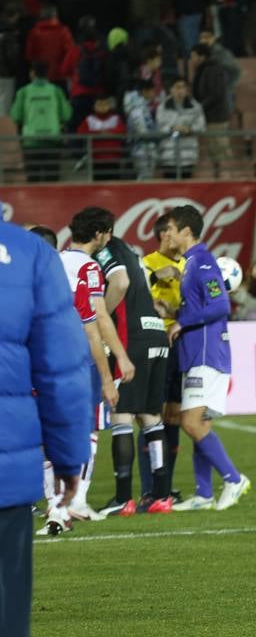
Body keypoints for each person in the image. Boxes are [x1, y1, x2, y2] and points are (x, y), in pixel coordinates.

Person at [0, 218, 91, 637]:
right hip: (6, 477)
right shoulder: (28, 253)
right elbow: (61, 365)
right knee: (5, 629)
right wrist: (68, 459)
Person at [163, 205, 250, 510]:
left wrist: (182, 323)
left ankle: (234, 478)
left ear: (186, 231)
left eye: (170, 230)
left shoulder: (202, 263)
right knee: (198, 422)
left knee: (191, 422)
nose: (166, 235)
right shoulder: (191, 264)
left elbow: (220, 305)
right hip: (195, 353)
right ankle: (203, 494)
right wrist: (174, 314)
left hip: (206, 353)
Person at [59, 208, 134, 522]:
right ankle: (77, 501)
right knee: (88, 429)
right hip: (80, 358)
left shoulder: (53, 260)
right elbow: (98, 319)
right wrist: (119, 360)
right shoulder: (89, 268)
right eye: (108, 232)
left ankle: (55, 500)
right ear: (100, 234)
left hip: (48, 356)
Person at [92, 223, 171, 515]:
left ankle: (123, 498)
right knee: (151, 417)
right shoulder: (133, 254)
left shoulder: (106, 252)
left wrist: (102, 315)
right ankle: (161, 497)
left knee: (122, 415)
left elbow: (121, 283)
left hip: (133, 338)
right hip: (157, 335)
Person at [142, 214, 187, 508]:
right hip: (157, 341)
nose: (178, 235)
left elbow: (194, 303)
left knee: (174, 416)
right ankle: (150, 488)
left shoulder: (188, 265)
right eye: (173, 229)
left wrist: (176, 307)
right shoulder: (146, 264)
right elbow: (139, 301)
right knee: (152, 415)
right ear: (163, 234)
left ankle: (166, 488)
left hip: (184, 340)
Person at [10, 61, 72, 182]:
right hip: (52, 141)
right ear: (46, 74)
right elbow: (67, 115)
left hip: (31, 142)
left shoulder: (23, 92)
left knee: (33, 182)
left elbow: (16, 116)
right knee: (52, 181)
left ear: (32, 73)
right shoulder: (56, 91)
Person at [155, 76, 205, 178]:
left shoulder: (195, 107)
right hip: (168, 155)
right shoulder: (162, 107)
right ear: (171, 90)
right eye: (177, 87)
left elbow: (201, 126)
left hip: (188, 154)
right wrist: (172, 128)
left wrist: (190, 129)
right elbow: (159, 127)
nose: (180, 91)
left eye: (183, 87)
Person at [190, 43, 231, 166]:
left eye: (193, 56)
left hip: (216, 117)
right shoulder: (204, 70)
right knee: (214, 149)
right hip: (210, 116)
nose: (191, 60)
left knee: (220, 147)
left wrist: (200, 107)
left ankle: (228, 176)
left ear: (202, 57)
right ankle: (220, 176)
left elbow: (216, 94)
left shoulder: (213, 70)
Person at [75, 94, 126, 181]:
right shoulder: (89, 120)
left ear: (109, 106)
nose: (102, 107)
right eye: (99, 104)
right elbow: (80, 133)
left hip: (114, 159)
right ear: (94, 106)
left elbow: (122, 131)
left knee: (115, 185)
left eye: (105, 104)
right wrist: (104, 134)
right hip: (96, 159)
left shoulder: (116, 118)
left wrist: (99, 135)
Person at [23, 6, 75, 84]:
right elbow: (70, 52)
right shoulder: (63, 31)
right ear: (55, 16)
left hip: (40, 73)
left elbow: (29, 54)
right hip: (60, 73)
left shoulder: (34, 32)